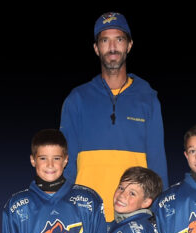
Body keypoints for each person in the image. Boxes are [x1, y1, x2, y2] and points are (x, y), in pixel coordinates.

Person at [60, 12, 167, 222]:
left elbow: (157, 162)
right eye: (105, 41)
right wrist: (63, 209)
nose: (112, 47)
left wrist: (159, 215)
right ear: (96, 48)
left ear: (129, 45)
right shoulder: (77, 100)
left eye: (119, 39)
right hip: (87, 215)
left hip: (133, 215)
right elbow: (66, 162)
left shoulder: (148, 99)